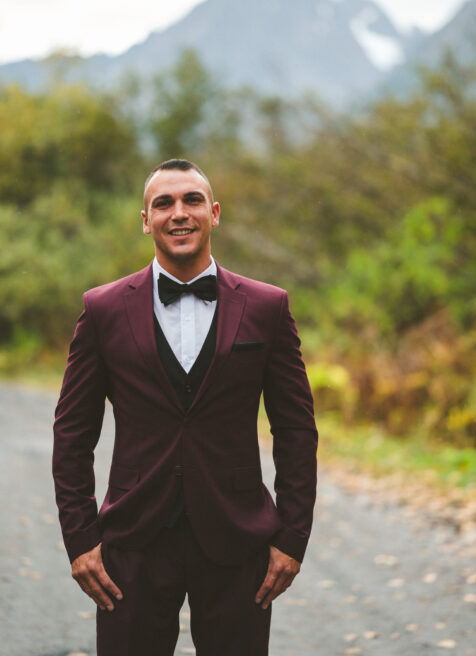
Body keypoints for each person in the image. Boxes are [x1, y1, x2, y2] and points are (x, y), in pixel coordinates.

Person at [52, 158, 317, 656]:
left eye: (192, 200)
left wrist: (293, 535)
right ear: (145, 219)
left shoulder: (267, 306)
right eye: (164, 203)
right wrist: (81, 538)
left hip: (239, 538)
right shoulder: (103, 309)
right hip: (131, 540)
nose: (179, 213)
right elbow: (72, 435)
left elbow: (297, 429)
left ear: (214, 213)